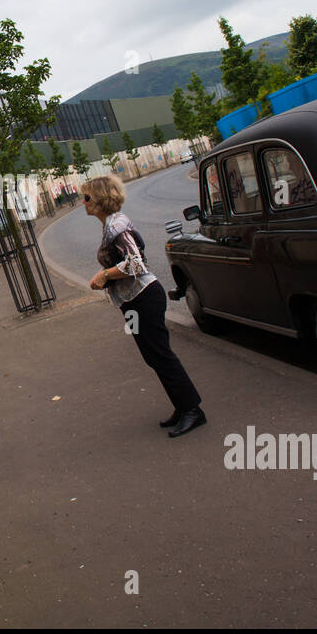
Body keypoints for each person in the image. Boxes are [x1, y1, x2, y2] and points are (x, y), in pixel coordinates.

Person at [83, 175, 206, 437]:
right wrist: (107, 276)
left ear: (101, 199)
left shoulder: (117, 226)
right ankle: (183, 406)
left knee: (161, 355)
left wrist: (105, 275)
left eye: (86, 197)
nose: (83, 202)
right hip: (132, 301)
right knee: (153, 357)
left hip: (144, 298)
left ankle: (193, 411)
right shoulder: (110, 225)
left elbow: (136, 264)